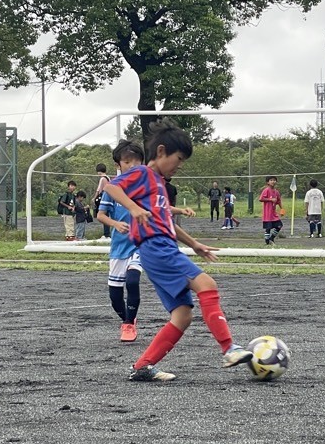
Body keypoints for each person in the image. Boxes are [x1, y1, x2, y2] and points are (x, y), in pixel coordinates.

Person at [101, 120, 253, 382]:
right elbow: (110, 187)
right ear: (161, 151)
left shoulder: (159, 183)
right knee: (207, 284)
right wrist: (134, 208)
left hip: (160, 248)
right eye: (179, 158)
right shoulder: (143, 173)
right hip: (156, 247)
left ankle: (142, 366)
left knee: (182, 315)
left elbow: (167, 223)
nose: (180, 165)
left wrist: (194, 244)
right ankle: (229, 348)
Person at [97, 141, 147, 342]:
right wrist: (115, 224)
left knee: (133, 281)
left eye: (137, 161)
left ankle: (128, 325)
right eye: (127, 162)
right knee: (115, 298)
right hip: (119, 247)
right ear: (118, 165)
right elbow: (100, 215)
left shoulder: (146, 186)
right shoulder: (112, 188)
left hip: (140, 244)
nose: (132, 165)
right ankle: (128, 318)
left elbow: (159, 208)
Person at [259, 176, 283, 245]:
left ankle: (271, 238)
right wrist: (270, 199)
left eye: (274, 180)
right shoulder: (266, 190)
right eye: (271, 180)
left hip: (273, 213)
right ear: (268, 182)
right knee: (268, 228)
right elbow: (261, 199)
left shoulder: (276, 192)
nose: (273, 181)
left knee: (279, 225)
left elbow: (279, 201)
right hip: (267, 213)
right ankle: (267, 242)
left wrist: (282, 209)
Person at [93, 163, 110, 238]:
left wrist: (94, 198)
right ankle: (107, 233)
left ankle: (106, 234)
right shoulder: (108, 178)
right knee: (107, 216)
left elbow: (99, 190)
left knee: (103, 215)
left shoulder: (102, 178)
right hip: (109, 198)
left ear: (99, 171)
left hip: (103, 198)